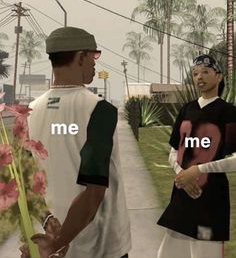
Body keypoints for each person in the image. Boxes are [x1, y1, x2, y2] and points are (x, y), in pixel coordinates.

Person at [25, 27, 131, 258]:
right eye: (93, 57)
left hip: (47, 244)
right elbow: (93, 192)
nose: (94, 63)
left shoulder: (30, 111)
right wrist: (59, 243)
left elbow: (27, 182)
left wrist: (48, 221)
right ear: (80, 57)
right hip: (100, 248)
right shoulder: (99, 110)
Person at [156, 54, 236, 258]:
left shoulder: (228, 112)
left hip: (210, 201)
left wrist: (199, 170)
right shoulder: (187, 109)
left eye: (205, 72)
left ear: (219, 77)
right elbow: (174, 150)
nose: (199, 77)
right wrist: (182, 174)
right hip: (181, 198)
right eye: (195, 73)